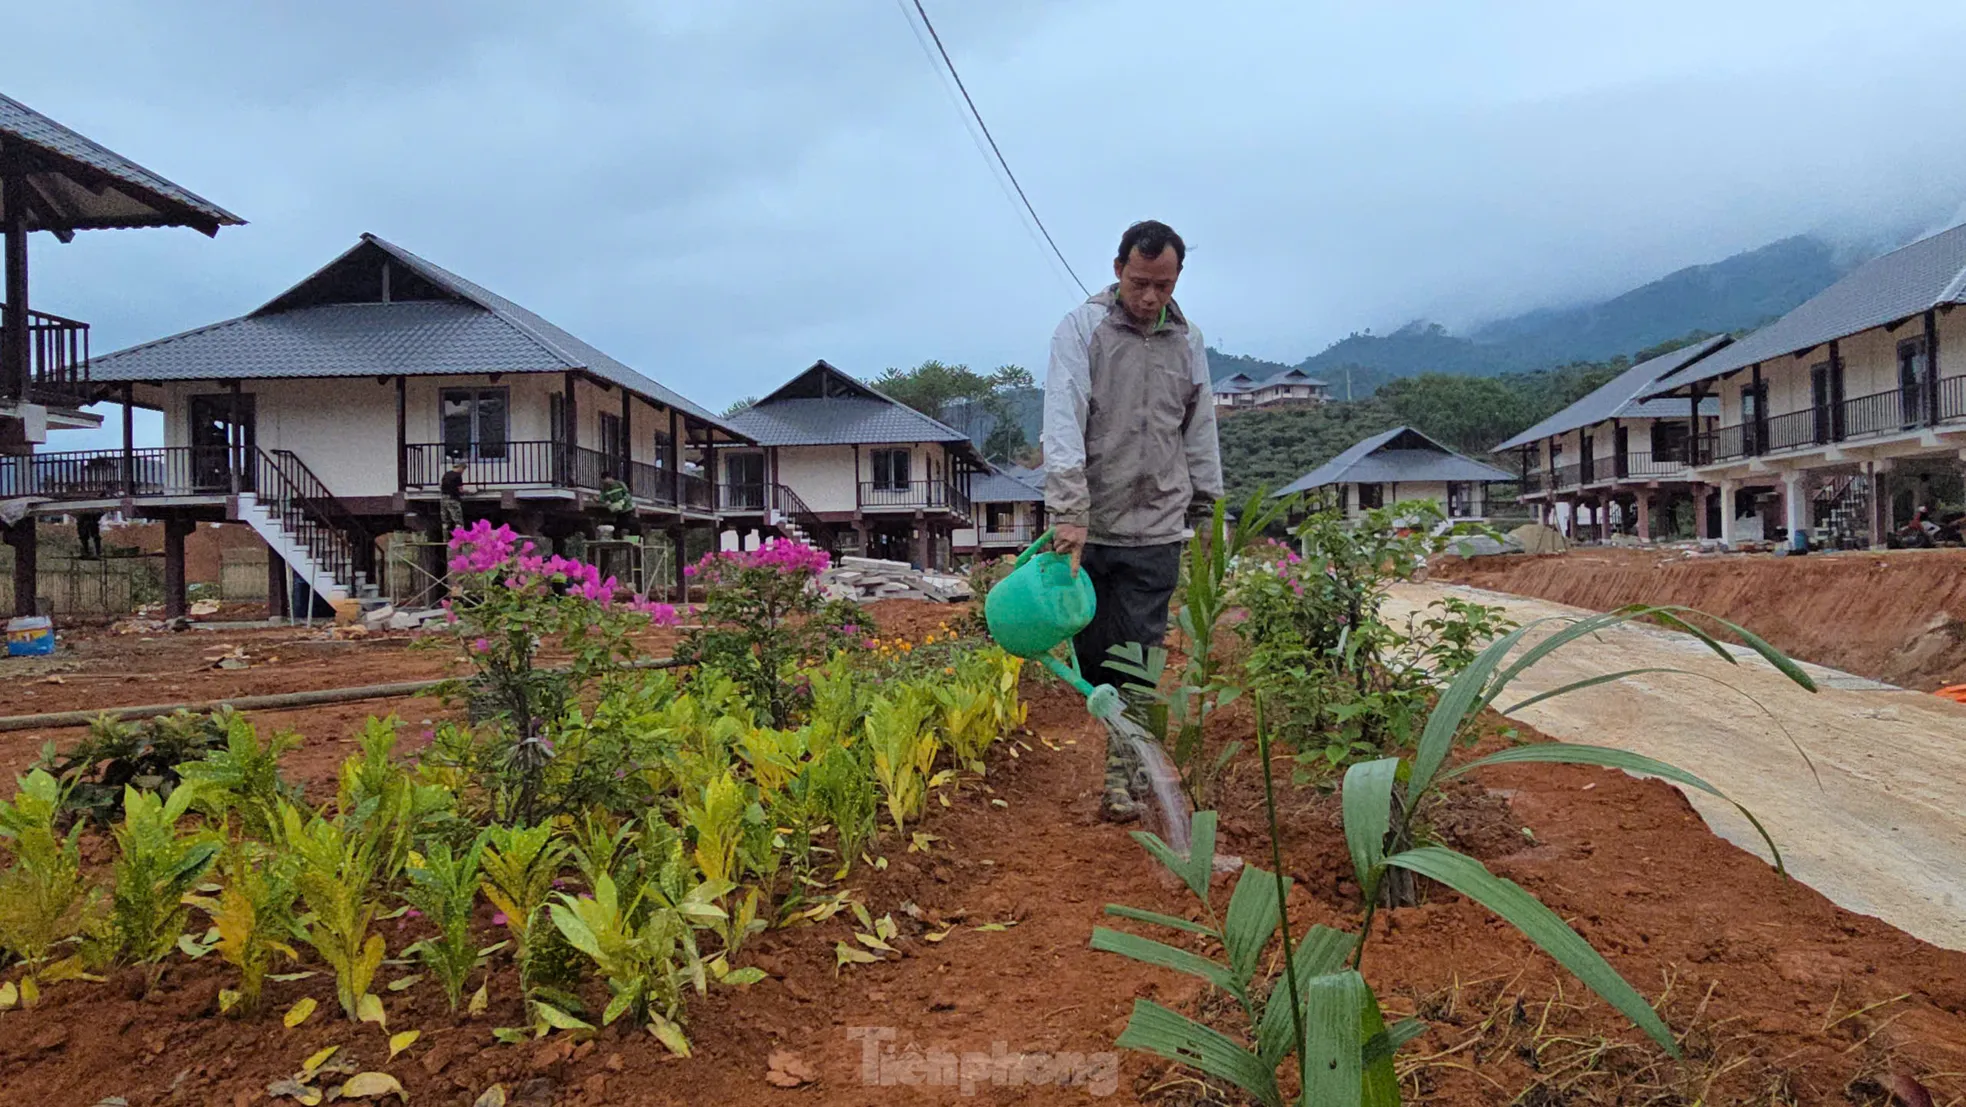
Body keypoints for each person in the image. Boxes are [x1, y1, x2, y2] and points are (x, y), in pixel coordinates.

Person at [1041, 220, 1223, 821]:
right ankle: (1122, 753)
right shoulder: (1082, 329)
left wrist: (1206, 504)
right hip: (1091, 529)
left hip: (1158, 526)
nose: (1150, 298)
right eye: (1141, 283)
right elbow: (1062, 419)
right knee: (1096, 660)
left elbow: (1199, 425)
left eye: (1163, 286)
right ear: (1119, 269)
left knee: (1141, 656)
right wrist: (1069, 510)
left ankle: (1124, 780)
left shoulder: (1187, 339)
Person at [439, 461, 469, 537]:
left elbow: (441, 485)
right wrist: (467, 491)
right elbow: (460, 490)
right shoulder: (458, 476)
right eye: (463, 469)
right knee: (458, 521)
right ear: (460, 468)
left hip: (443, 498)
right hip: (453, 499)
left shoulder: (446, 474)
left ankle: (445, 539)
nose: (463, 472)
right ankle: (459, 539)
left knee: (445, 521)